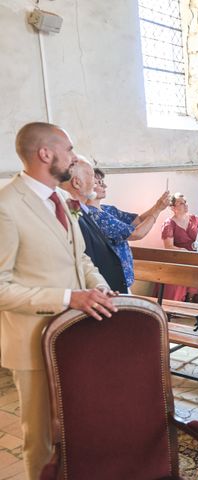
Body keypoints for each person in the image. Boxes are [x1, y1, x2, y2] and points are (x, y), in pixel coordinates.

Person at [0, 122, 116, 479]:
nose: (74, 156)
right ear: (45, 154)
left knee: (79, 426)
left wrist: (99, 286)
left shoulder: (62, 200)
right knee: (43, 438)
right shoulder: (7, 206)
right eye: (68, 149)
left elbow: (78, 258)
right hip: (34, 342)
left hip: (75, 335)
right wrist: (70, 297)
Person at [87, 167, 170, 291]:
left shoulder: (107, 209)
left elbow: (138, 221)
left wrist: (158, 204)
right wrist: (158, 210)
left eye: (103, 181)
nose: (105, 185)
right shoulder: (96, 216)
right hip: (112, 278)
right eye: (98, 183)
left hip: (123, 276)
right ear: (87, 186)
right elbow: (137, 233)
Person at [61, 158, 128, 294]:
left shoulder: (78, 209)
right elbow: (82, 255)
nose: (96, 184)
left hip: (103, 288)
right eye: (93, 178)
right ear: (77, 183)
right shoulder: (68, 211)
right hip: (92, 294)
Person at [159, 193, 198, 301]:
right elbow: (168, 246)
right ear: (173, 208)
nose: (185, 205)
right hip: (179, 257)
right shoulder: (169, 224)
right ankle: (179, 300)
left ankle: (193, 298)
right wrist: (184, 251)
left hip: (196, 256)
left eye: (185, 202)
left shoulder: (195, 219)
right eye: (181, 203)